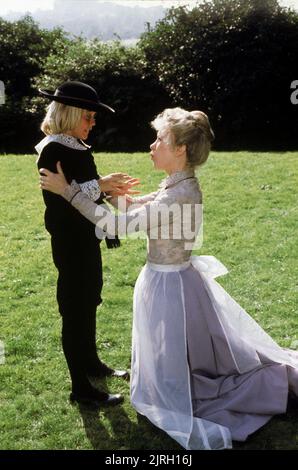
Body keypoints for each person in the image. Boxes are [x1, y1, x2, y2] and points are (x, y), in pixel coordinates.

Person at [39, 107, 298, 449]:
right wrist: (110, 190)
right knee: (169, 354)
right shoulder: (176, 185)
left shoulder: (180, 194)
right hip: (166, 280)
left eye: (160, 138)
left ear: (180, 150)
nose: (152, 144)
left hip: (172, 286)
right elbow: (133, 209)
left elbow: (116, 225)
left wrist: (68, 191)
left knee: (175, 357)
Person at [36, 81, 139, 408]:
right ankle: (80, 386)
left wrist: (108, 190)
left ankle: (92, 363)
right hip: (70, 241)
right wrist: (101, 184)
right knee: (75, 309)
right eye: (88, 117)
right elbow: (64, 196)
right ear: (70, 115)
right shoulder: (54, 149)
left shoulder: (76, 145)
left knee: (89, 299)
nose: (93, 124)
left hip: (87, 236)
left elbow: (80, 188)